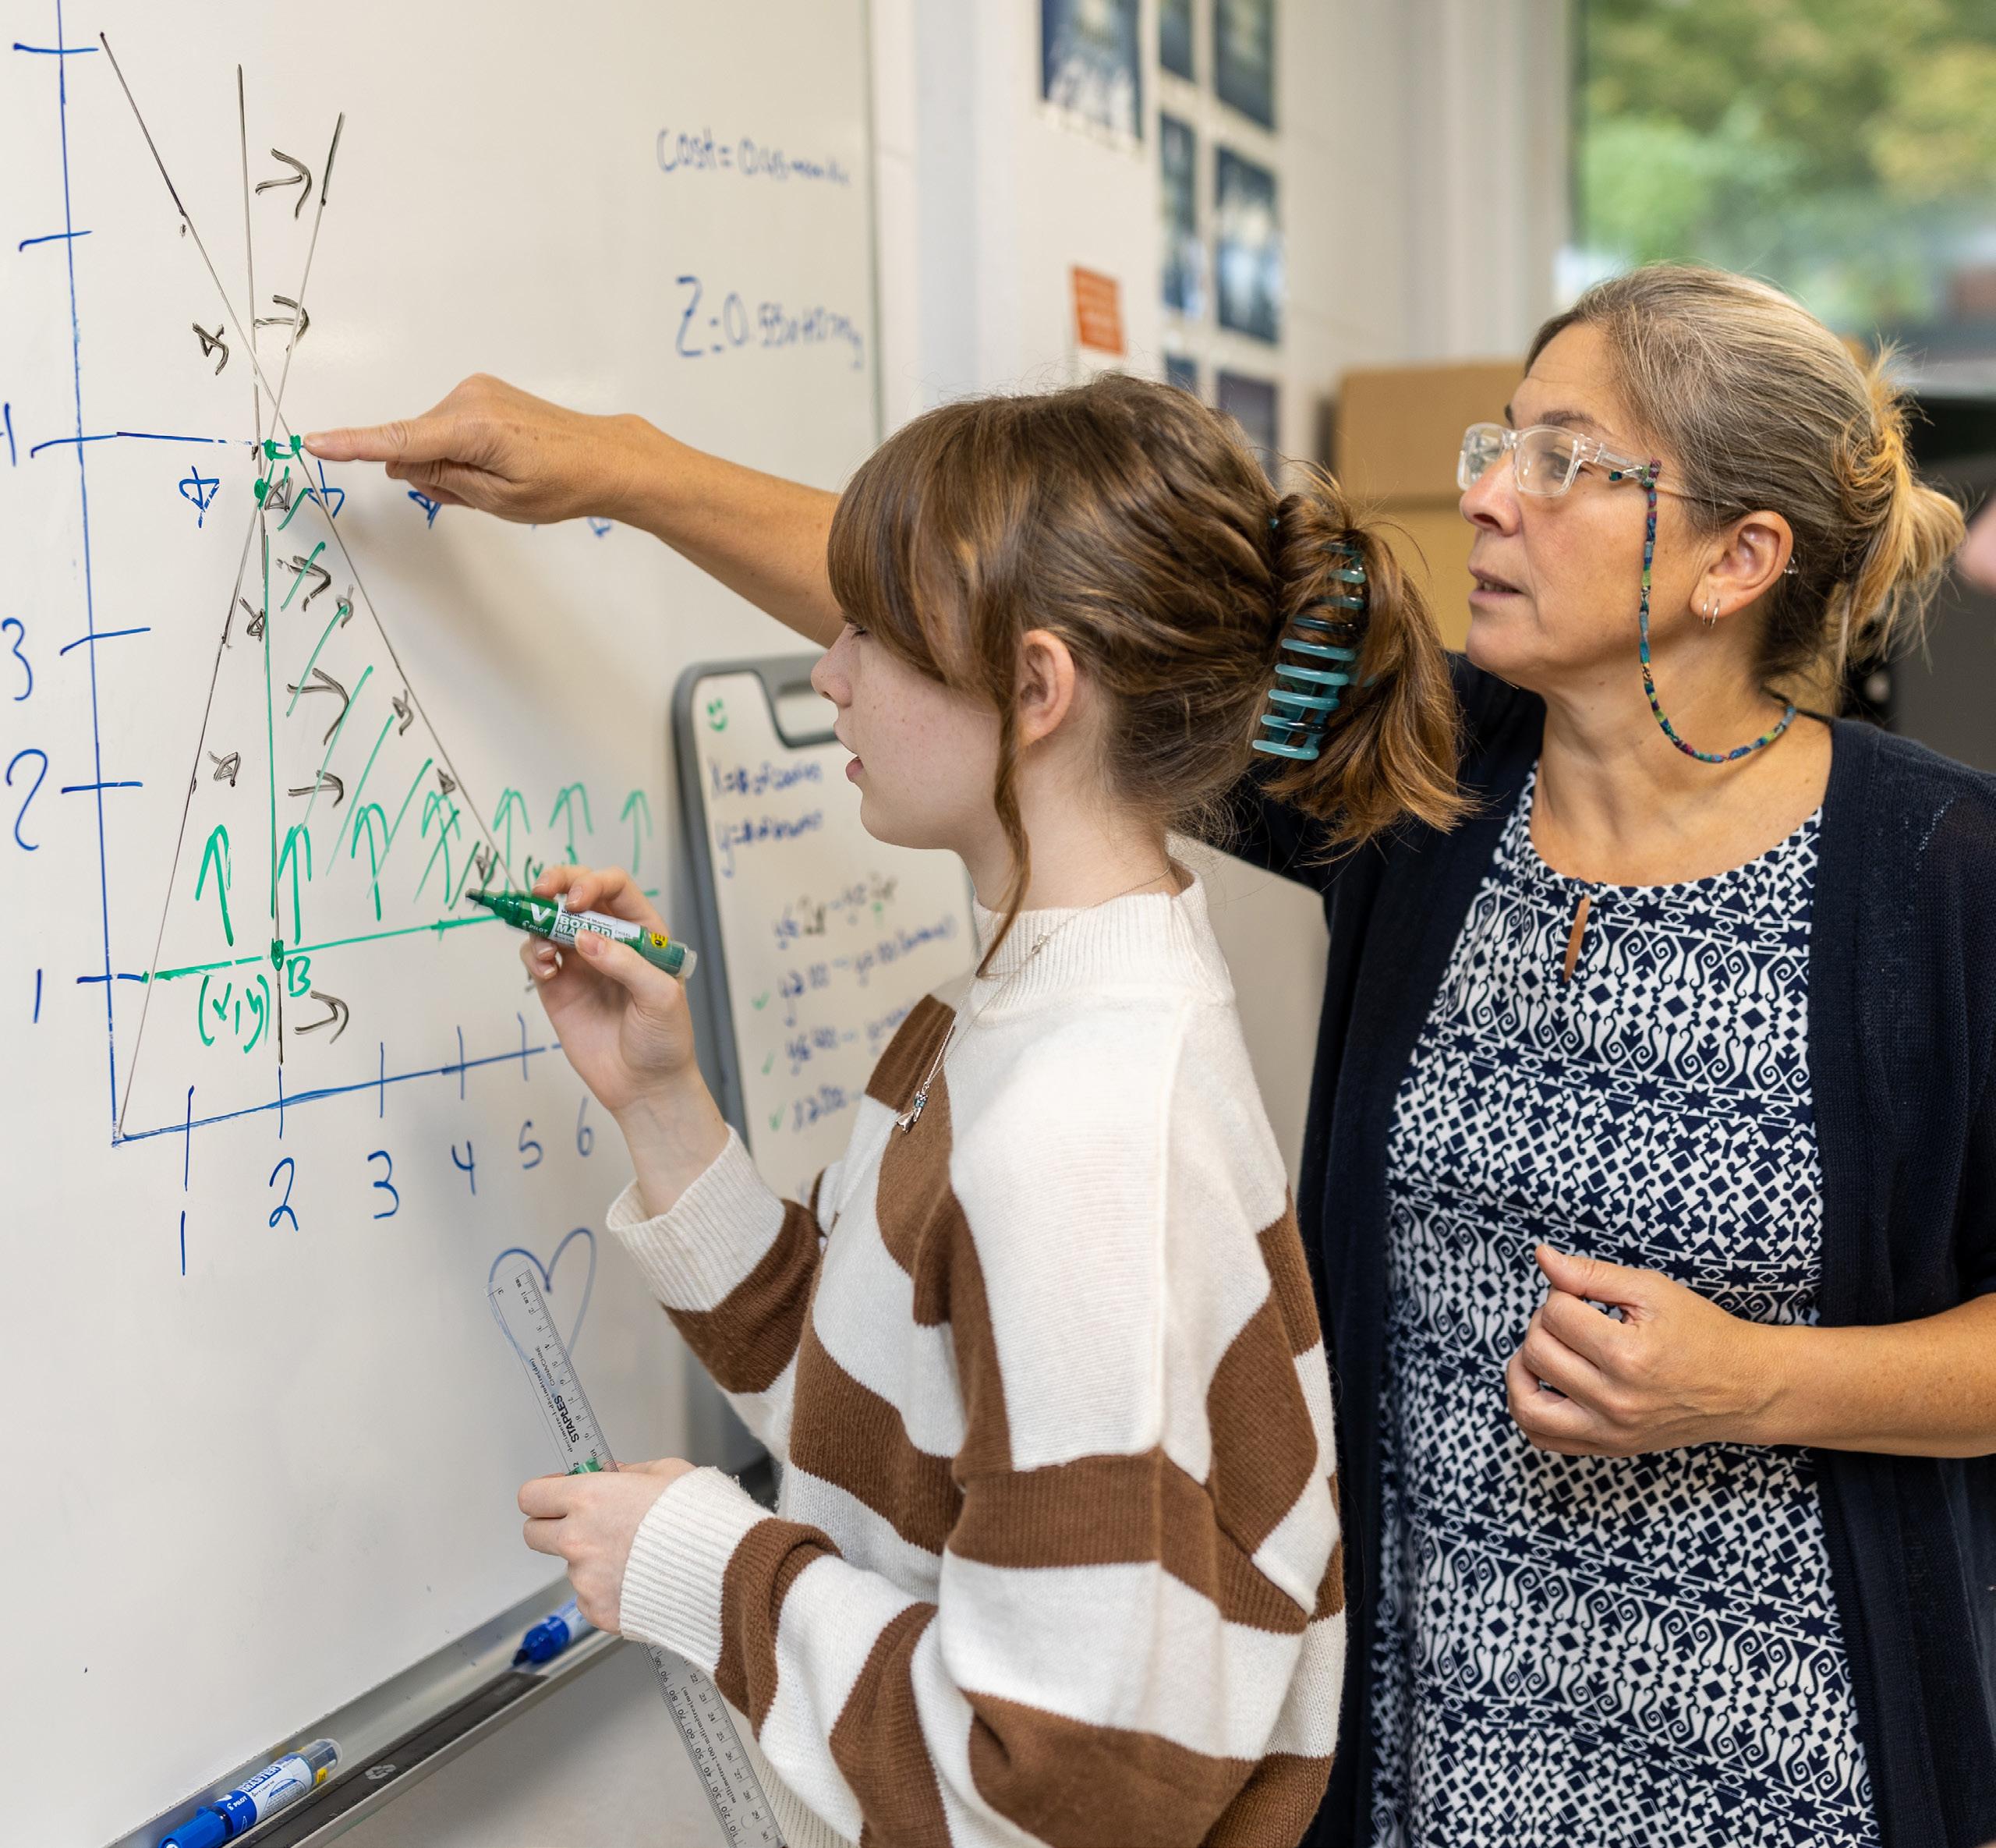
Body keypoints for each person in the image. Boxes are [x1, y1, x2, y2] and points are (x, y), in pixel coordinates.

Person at [308, 263, 1996, 1848]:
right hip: (1421, 1751)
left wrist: (1764, 1380)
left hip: (1783, 1756)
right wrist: (620, 470)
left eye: (1564, 463)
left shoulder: (1936, 874)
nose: (1485, 491)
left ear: (1734, 560)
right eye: (1499, 441)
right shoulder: (1426, 788)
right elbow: (1012, 614)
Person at [411, 375, 1465, 1848]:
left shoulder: (1083, 1134)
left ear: (1037, 692)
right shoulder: (1029, 1016)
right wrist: (663, 1104)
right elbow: (876, 1413)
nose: (826, 676)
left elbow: (1065, 1786)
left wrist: (708, 1568)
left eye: (869, 636)